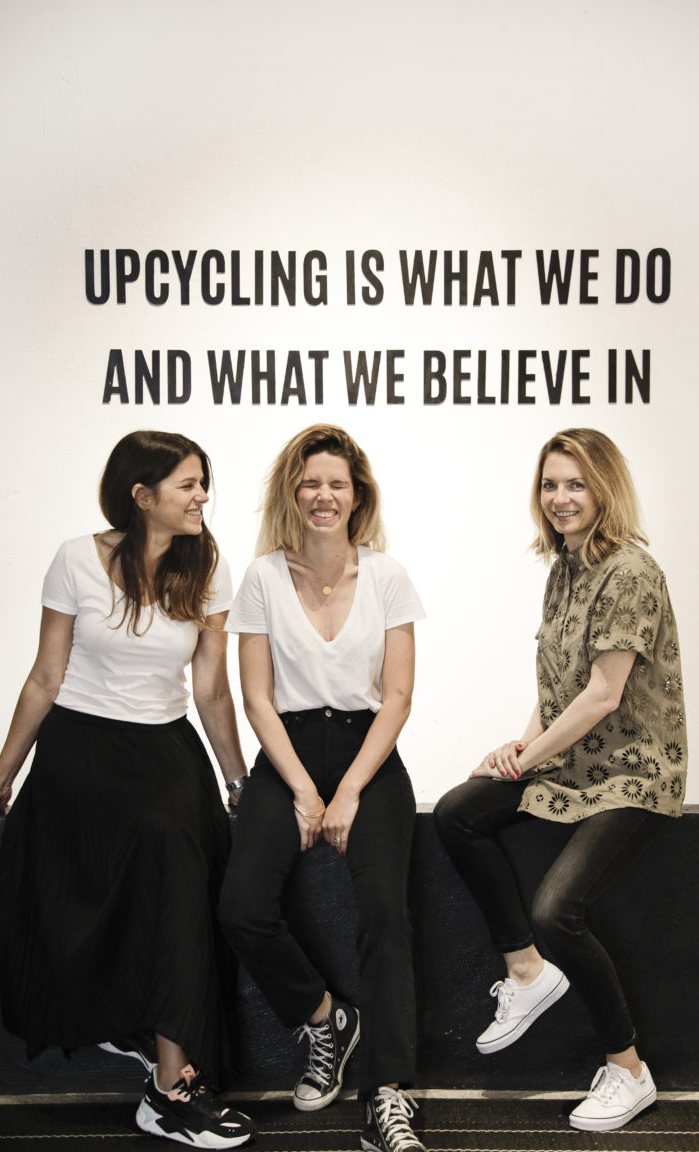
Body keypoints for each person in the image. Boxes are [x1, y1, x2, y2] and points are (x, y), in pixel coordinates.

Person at [0, 431, 255, 1149]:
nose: (202, 497)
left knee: (177, 856)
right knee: (147, 858)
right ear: (142, 495)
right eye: (188, 484)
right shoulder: (75, 559)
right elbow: (45, 677)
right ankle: (153, 1058)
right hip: (80, 749)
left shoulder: (209, 564)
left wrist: (237, 780)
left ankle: (170, 1085)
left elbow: (211, 689)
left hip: (165, 748)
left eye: (203, 483)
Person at [434, 428, 687, 1133]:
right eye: (550, 484)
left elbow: (603, 695)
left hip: (633, 773)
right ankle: (526, 971)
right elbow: (559, 686)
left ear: (605, 489)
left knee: (557, 912)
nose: (561, 497)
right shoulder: (565, 568)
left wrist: (528, 758)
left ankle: (628, 1070)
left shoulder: (631, 571)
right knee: (457, 812)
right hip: (572, 764)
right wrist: (520, 745)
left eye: (576, 483)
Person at [220, 424, 427, 1152]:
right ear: (292, 492)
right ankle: (324, 1018)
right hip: (289, 753)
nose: (323, 495)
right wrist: (306, 792)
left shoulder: (388, 576)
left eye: (337, 483)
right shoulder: (262, 578)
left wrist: (349, 792)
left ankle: (387, 1096)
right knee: (241, 908)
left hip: (371, 756)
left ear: (357, 494)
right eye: (310, 483)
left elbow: (397, 699)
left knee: (386, 913)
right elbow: (256, 700)